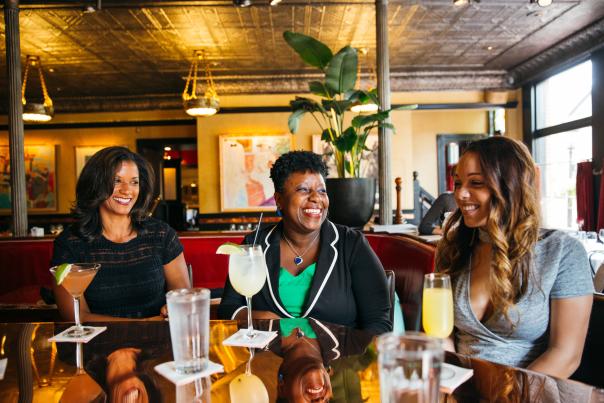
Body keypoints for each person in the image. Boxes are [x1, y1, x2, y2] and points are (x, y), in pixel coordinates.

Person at [436, 136, 593, 378]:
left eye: (476, 183)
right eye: (458, 183)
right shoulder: (454, 246)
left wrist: (506, 397)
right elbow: (442, 334)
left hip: (529, 393)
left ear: (510, 186)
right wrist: (453, 386)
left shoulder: (563, 252)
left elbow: (566, 354)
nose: (460, 194)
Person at [218, 151, 392, 334]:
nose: (316, 198)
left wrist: (353, 360)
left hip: (336, 357)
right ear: (279, 200)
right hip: (268, 358)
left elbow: (378, 323)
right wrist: (260, 317)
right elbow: (228, 308)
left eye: (322, 191)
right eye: (303, 189)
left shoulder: (352, 245)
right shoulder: (254, 245)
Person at [51, 146, 190, 320]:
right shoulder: (70, 244)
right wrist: (143, 325)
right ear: (95, 184)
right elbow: (75, 317)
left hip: (158, 340)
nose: (127, 190)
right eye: (116, 180)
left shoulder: (161, 234)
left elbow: (184, 296)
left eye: (134, 182)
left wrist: (173, 308)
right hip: (97, 344)